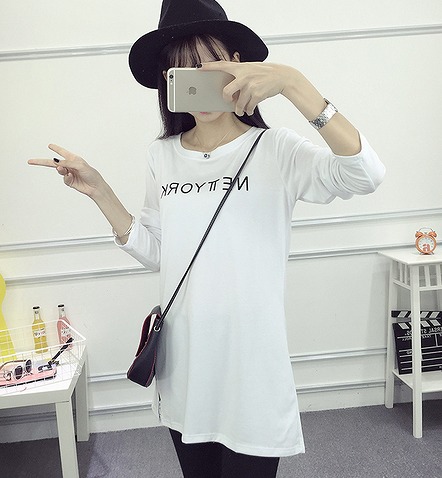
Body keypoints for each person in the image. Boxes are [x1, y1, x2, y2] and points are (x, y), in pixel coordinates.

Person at [28, 1, 386, 476]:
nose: (195, 81)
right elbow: (160, 253)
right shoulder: (162, 155)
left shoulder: (275, 149)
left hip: (250, 365)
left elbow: (365, 174)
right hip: (186, 365)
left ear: (237, 64)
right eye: (179, 71)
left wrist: (294, 83)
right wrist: (101, 191)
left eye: (207, 66)